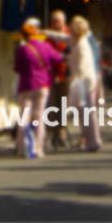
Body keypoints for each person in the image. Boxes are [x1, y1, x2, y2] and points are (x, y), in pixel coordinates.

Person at [13, 19, 64, 158]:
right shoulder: (45, 46)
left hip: (27, 85)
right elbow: (59, 58)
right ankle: (38, 148)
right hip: (43, 85)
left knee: (25, 116)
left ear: (23, 36)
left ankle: (23, 148)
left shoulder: (22, 49)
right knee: (39, 116)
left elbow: (17, 68)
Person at [66, 15, 103, 152]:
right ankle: (91, 140)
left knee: (87, 112)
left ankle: (93, 141)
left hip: (85, 81)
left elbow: (82, 64)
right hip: (86, 79)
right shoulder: (79, 40)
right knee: (85, 112)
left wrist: (74, 77)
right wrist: (46, 33)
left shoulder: (82, 43)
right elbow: (63, 38)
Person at [44, 9, 73, 150]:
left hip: (66, 75)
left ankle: (61, 131)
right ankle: (51, 132)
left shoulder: (69, 34)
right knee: (51, 104)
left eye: (59, 22)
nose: (57, 24)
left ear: (64, 22)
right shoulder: (48, 36)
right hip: (51, 74)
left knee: (63, 104)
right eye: (55, 22)